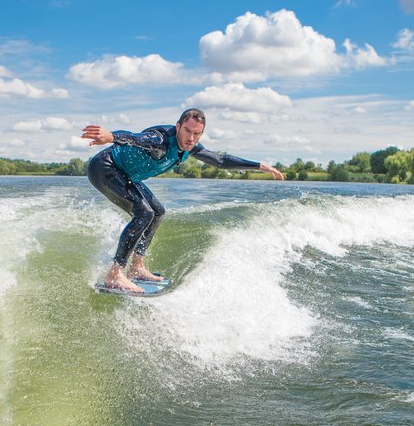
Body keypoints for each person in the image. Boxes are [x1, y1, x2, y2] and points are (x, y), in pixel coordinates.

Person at [83, 108, 284, 293]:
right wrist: (112, 136)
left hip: (126, 175)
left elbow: (220, 160)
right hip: (105, 168)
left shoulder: (191, 147)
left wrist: (259, 166)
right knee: (144, 212)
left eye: (197, 134)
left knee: (157, 212)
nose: (191, 138)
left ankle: (136, 268)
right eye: (187, 131)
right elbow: (135, 138)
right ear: (178, 126)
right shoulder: (159, 139)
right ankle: (115, 274)